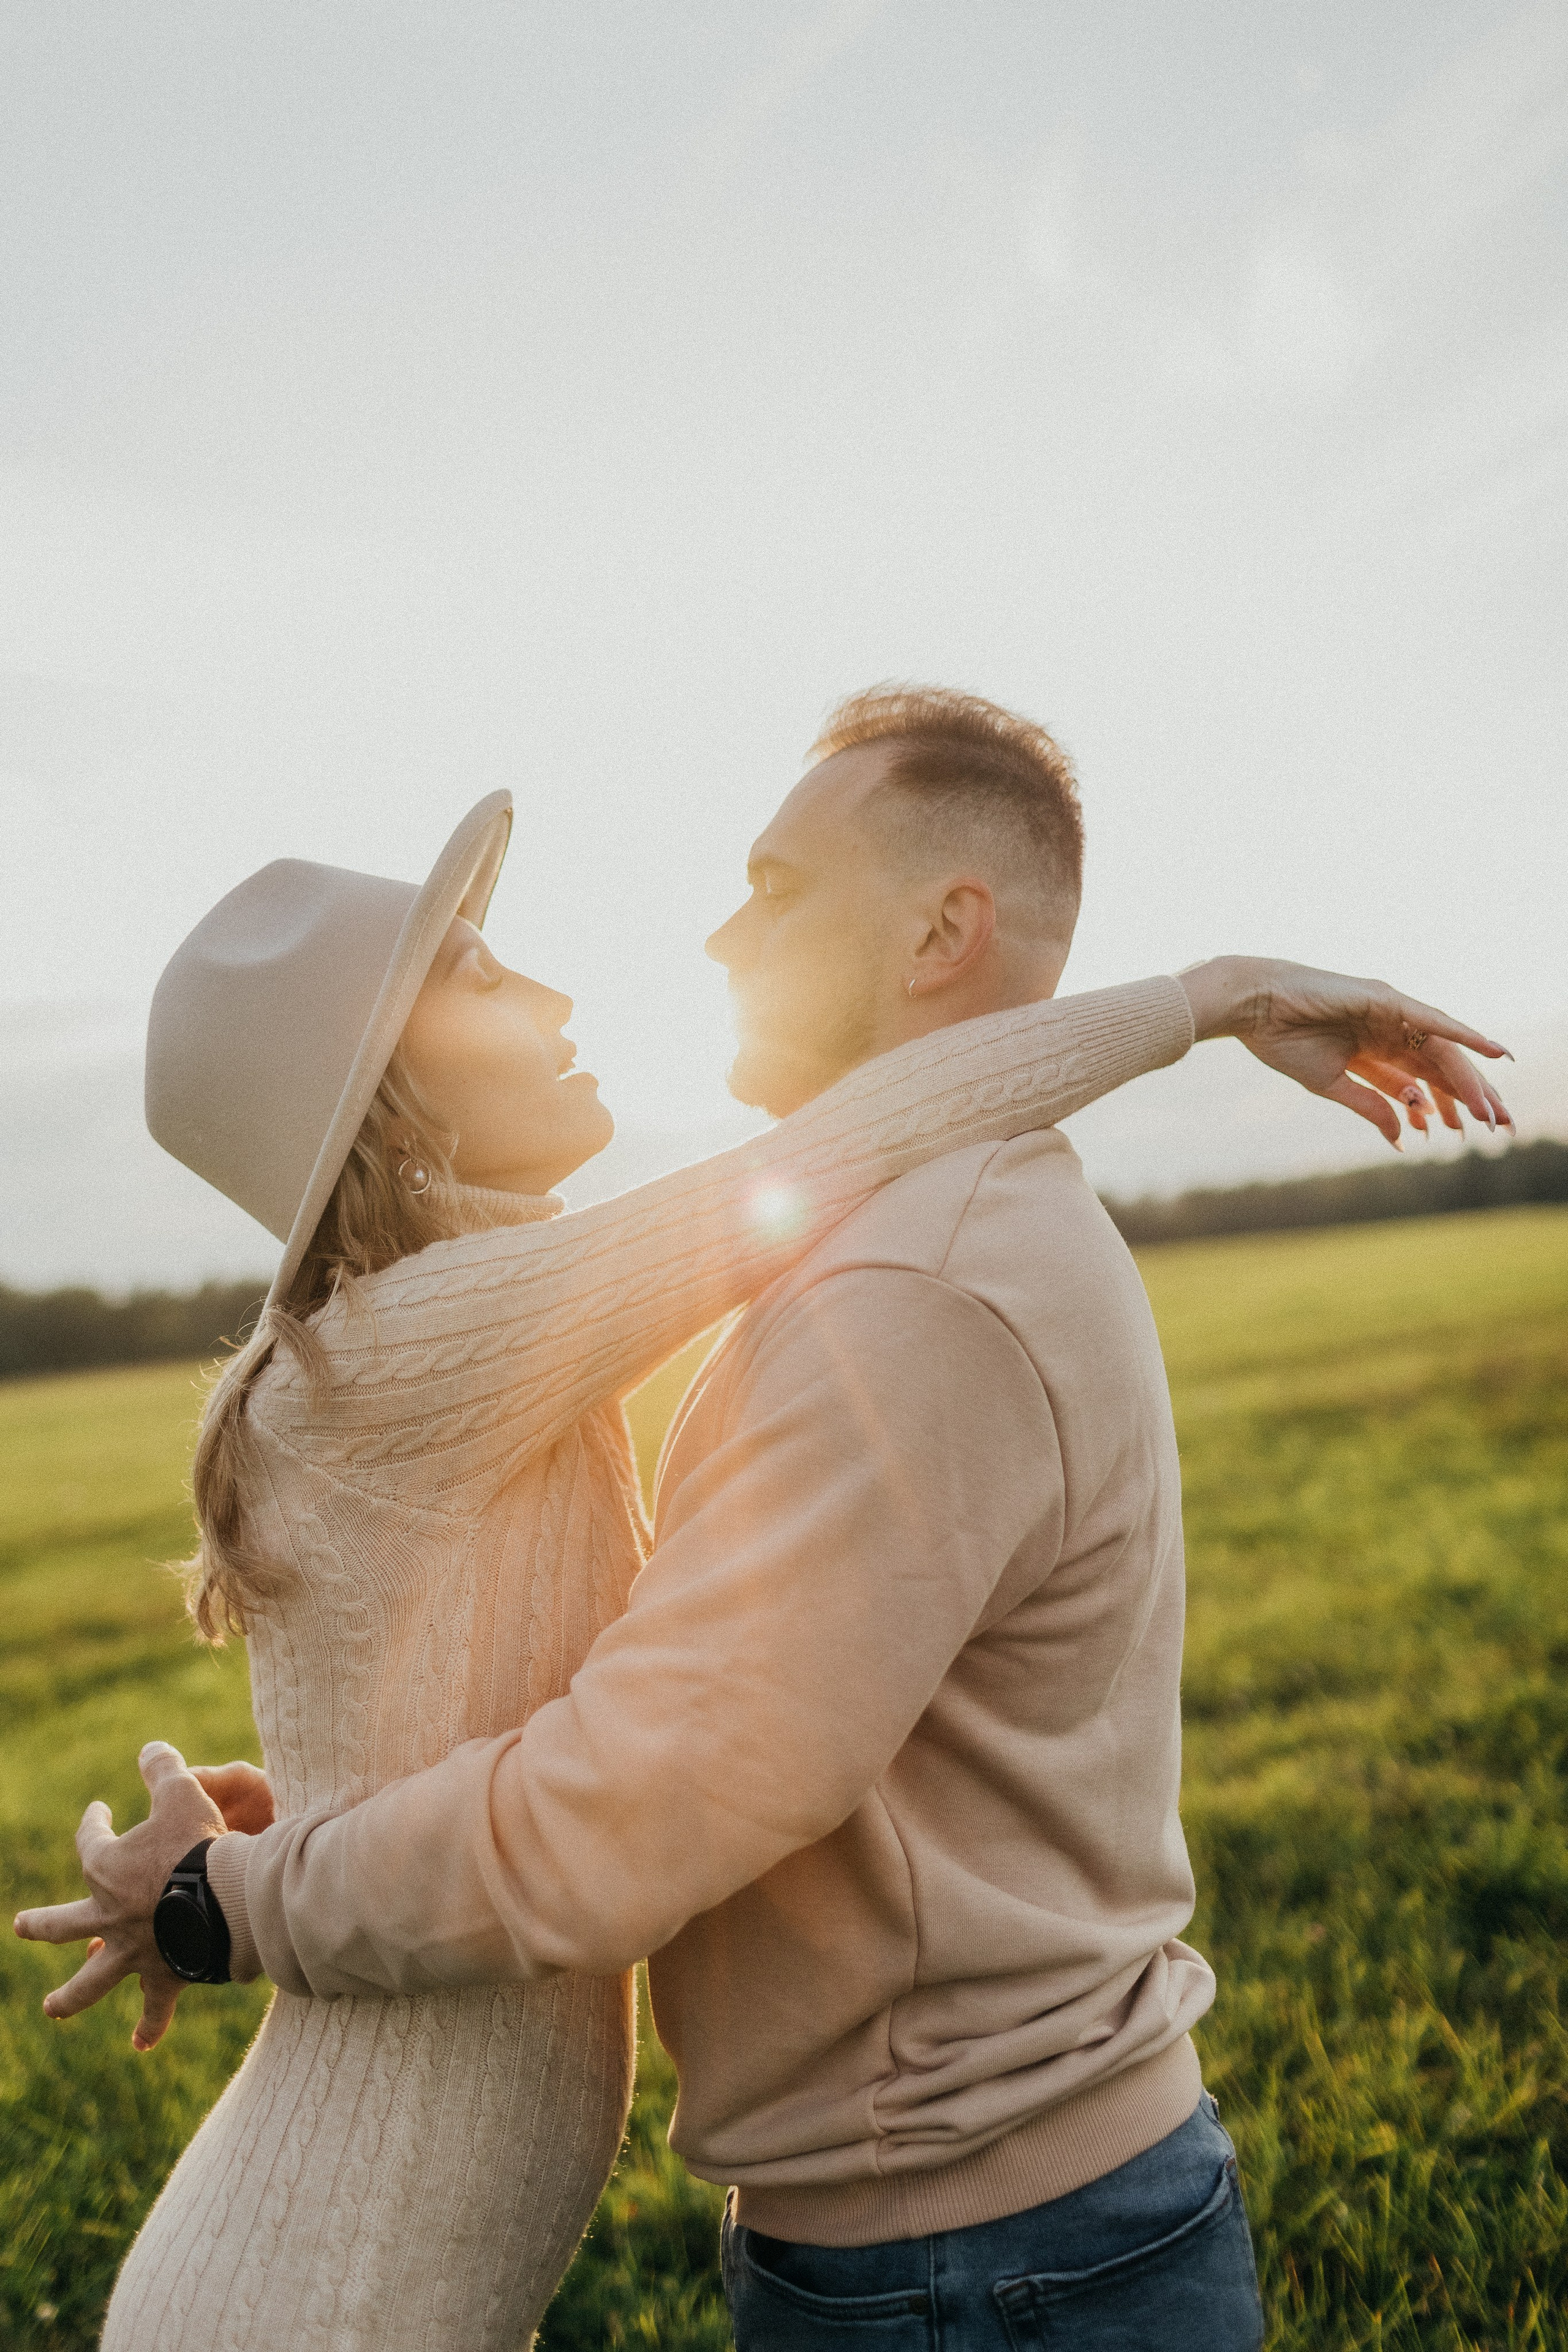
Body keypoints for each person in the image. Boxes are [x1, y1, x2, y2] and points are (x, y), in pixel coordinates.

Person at [17, 687, 1510, 2351]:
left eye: (774, 892)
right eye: (481, 972)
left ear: (945, 924)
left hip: (969, 2260)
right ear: (384, 1088)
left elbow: (658, 1772)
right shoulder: (446, 1335)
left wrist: (258, 1873)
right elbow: (648, 1745)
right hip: (351, 2282)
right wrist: (1210, 997)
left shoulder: (901, 1278)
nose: (685, 952)